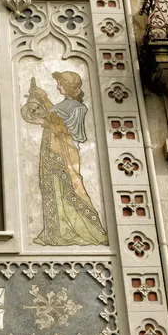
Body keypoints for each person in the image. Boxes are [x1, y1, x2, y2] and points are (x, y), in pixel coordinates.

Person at [20, 71, 107, 246]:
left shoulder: (78, 108)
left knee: (72, 188)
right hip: (51, 150)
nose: (58, 86)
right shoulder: (64, 104)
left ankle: (91, 230)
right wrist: (39, 101)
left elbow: (70, 131)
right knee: (50, 187)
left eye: (61, 83)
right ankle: (54, 233)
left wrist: (45, 117)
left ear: (68, 86)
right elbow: (51, 115)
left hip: (65, 154)